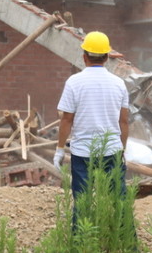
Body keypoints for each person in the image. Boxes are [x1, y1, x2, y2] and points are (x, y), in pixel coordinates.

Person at [53, 31, 130, 217]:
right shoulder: (119, 84)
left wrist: (60, 149)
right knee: (119, 203)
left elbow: (66, 120)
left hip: (82, 154)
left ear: (84, 56)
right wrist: (122, 151)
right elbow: (124, 121)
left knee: (82, 204)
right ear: (106, 57)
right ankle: (126, 244)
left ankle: (81, 242)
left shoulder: (74, 82)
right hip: (111, 152)